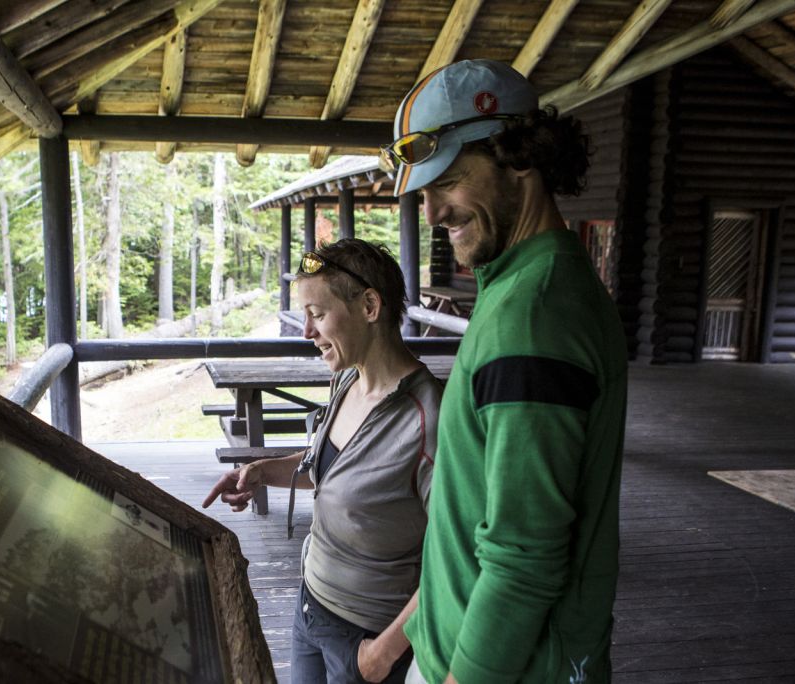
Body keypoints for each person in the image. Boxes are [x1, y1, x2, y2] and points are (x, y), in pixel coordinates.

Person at [382, 59, 628, 683]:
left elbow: (525, 559)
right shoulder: (520, 284)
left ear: (520, 156)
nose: (432, 210)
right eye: (423, 190)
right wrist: (402, 641)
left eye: (450, 180)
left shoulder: (533, 316)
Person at [202, 238, 442, 683]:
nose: (306, 332)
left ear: (370, 306)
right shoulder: (347, 379)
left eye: (317, 315)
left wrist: (380, 655)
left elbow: (456, 558)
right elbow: (329, 466)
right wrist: (259, 472)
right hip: (310, 605)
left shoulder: (430, 419)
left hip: (369, 635)